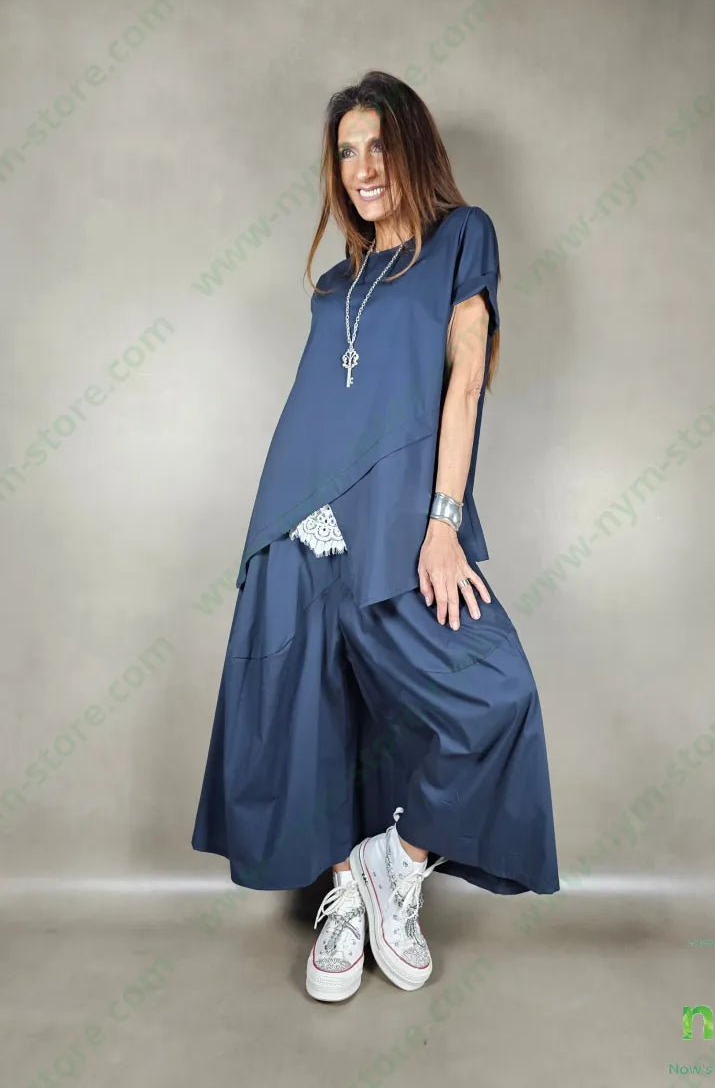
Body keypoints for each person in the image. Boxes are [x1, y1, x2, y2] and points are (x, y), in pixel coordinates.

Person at [191, 69, 560, 1003]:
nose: (361, 168)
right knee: (318, 713)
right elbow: (318, 410)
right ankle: (347, 899)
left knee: (495, 694)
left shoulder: (462, 238)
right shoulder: (335, 284)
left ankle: (393, 860)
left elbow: (463, 386)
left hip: (403, 528)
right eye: (346, 152)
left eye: (377, 146)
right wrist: (290, 522)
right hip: (304, 526)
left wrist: (442, 525)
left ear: (412, 148)